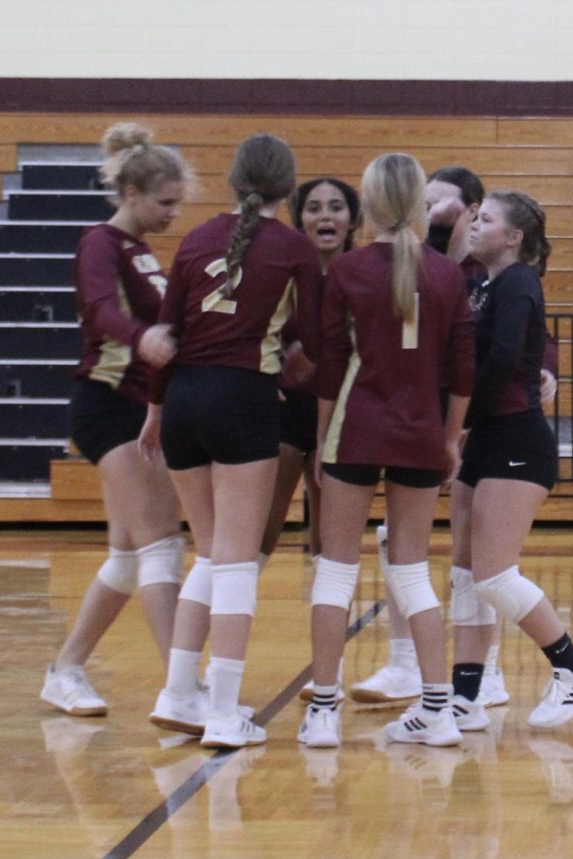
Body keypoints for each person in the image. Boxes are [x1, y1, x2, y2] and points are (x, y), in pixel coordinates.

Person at [139, 133, 323, 748]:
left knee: (213, 554)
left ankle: (177, 692)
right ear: (288, 189)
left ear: (232, 181)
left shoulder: (193, 239)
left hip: (184, 399)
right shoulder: (295, 249)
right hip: (243, 398)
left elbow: (167, 330)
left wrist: (155, 410)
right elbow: (313, 335)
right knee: (237, 563)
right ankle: (222, 712)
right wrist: (294, 356)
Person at [350, 166, 557, 709]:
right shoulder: (439, 265)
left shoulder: (496, 276)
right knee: (425, 551)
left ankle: (505, 673)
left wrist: (543, 368)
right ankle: (424, 672)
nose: (438, 213)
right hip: (435, 423)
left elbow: (520, 339)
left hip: (475, 427)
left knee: (480, 567)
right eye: (428, 203)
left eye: (454, 207)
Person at [298, 152, 474, 748]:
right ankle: (439, 711)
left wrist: (323, 439)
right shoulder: (450, 275)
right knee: (414, 573)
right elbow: (462, 371)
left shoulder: (347, 271)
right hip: (422, 432)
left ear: (367, 206)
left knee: (335, 571)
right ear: (420, 205)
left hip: (357, 427)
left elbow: (331, 368)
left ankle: (323, 712)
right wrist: (450, 438)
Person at [40, 123, 188, 716]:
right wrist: (142, 335)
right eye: (164, 202)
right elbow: (101, 310)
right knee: (162, 549)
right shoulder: (99, 243)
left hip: (138, 408)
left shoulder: (141, 249)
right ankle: (183, 690)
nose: (172, 214)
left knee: (128, 559)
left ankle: (66, 670)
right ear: (131, 192)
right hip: (105, 405)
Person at [451, 190, 573, 730]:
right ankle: (464, 698)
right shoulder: (483, 284)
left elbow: (500, 360)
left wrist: (461, 422)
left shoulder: (518, 282)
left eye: (486, 219)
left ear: (513, 237)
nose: (476, 224)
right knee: (467, 576)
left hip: (516, 440)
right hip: (486, 440)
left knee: (493, 576)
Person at [259, 177, 362, 568]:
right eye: (314, 207)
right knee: (258, 537)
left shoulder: (362, 274)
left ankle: (329, 626)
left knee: (330, 549)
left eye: (335, 207)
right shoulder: (280, 272)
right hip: (283, 413)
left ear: (352, 220)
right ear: (299, 218)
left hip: (340, 416)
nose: (325, 215)